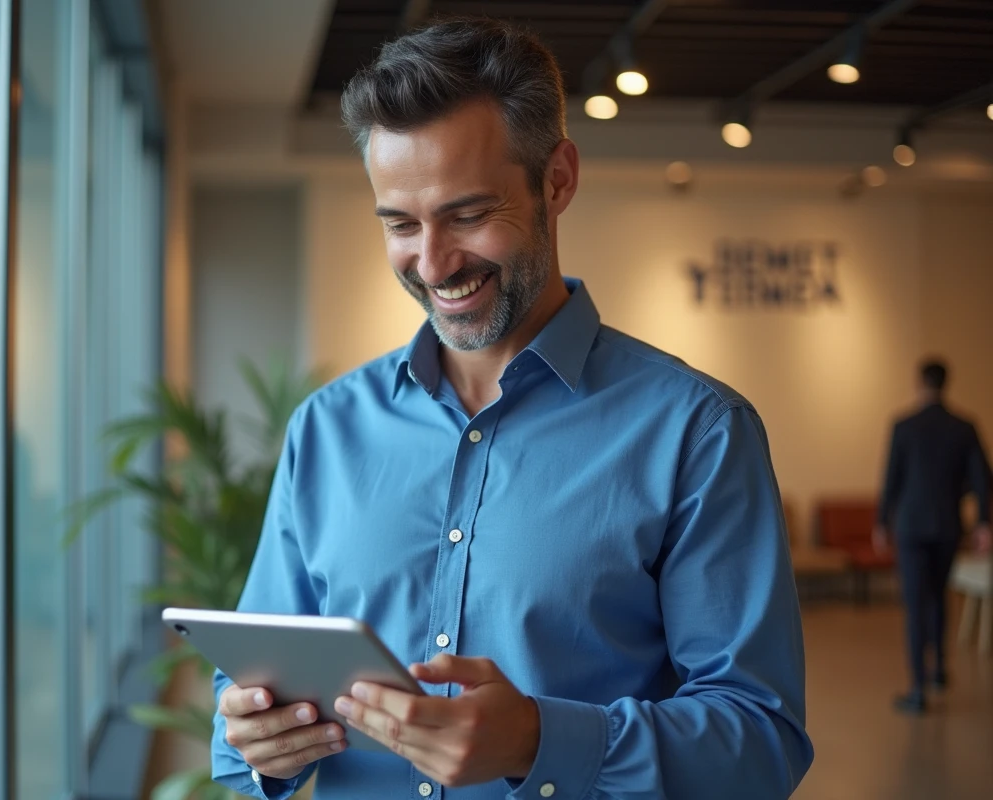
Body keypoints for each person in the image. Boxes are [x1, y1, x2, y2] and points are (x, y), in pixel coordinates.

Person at [211, 19, 813, 799]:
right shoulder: (325, 429)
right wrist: (259, 742)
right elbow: (241, 724)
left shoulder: (697, 432)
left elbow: (760, 740)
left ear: (557, 179)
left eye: (466, 214)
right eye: (400, 223)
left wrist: (539, 739)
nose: (432, 263)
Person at [875, 359, 992, 714]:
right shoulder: (964, 427)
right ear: (946, 383)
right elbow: (983, 479)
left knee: (915, 604)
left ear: (919, 383)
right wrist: (984, 523)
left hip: (910, 526)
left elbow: (891, 478)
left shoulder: (904, 425)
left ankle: (916, 688)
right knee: (939, 597)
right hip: (947, 525)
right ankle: (940, 669)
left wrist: (882, 522)